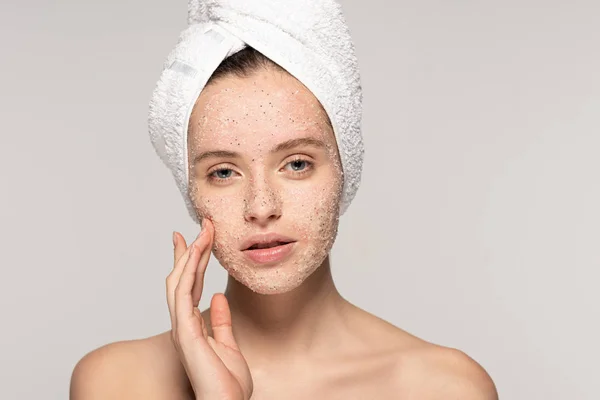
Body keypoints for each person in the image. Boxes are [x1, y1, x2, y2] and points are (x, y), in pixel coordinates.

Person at [70, 2, 499, 399]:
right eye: (223, 172)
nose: (260, 206)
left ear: (344, 168)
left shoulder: (445, 387)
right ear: (191, 190)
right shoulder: (115, 382)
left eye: (296, 164)